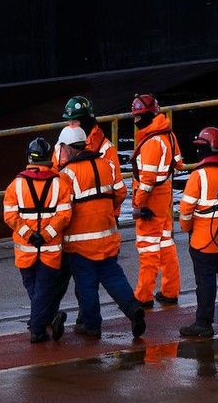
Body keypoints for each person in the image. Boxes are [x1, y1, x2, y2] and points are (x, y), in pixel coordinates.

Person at [56, 122, 146, 340]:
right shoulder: (106, 164)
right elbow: (120, 194)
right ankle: (133, 309)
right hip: (108, 234)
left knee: (86, 282)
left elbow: (64, 209)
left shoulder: (67, 174)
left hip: (80, 241)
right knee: (113, 275)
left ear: (67, 149)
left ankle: (91, 325)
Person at [3, 136, 73, 344]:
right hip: (50, 249)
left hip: (25, 249)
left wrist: (29, 234)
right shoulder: (60, 184)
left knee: (33, 288)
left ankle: (37, 330)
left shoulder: (15, 185)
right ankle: (45, 321)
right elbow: (65, 216)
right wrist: (45, 235)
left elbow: (9, 215)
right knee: (44, 289)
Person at [178, 125, 218, 339]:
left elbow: (186, 211)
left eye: (199, 147)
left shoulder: (198, 176)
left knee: (205, 283)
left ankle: (203, 323)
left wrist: (187, 229)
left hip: (203, 241)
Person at [129, 94, 183, 308]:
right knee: (166, 244)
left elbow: (147, 181)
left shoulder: (152, 141)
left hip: (150, 202)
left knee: (147, 248)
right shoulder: (168, 135)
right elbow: (178, 163)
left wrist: (137, 205)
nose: (135, 121)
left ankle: (143, 296)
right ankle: (170, 291)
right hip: (165, 198)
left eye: (138, 116)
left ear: (148, 116)